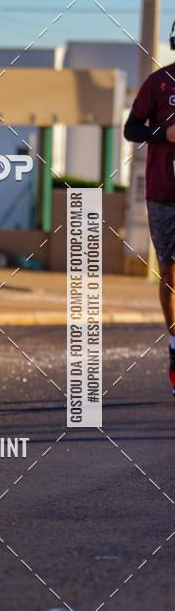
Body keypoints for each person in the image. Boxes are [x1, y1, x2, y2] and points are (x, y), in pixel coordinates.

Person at [124, 22, 175, 393]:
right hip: (164, 195)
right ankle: (174, 348)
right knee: (170, 274)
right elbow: (131, 129)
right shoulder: (158, 84)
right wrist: (165, 134)